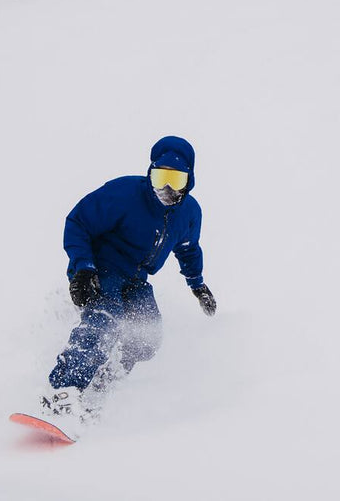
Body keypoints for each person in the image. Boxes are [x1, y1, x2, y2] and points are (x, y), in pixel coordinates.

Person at [39, 135, 216, 425]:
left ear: (190, 180)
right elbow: (78, 222)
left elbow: (188, 249)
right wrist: (83, 268)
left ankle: (104, 379)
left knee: (148, 336)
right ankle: (61, 391)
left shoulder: (189, 214)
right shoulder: (124, 194)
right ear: (150, 173)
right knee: (105, 319)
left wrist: (198, 286)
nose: (167, 189)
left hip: (136, 279)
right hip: (101, 269)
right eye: (161, 177)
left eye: (176, 180)